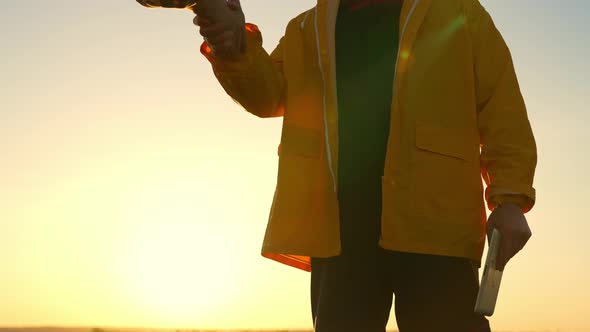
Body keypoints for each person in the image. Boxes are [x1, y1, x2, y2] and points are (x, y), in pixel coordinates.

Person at [194, 0, 537, 331]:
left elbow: (501, 107)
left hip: (437, 226)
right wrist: (233, 47)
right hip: (338, 230)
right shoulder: (306, 27)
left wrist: (509, 199)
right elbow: (266, 95)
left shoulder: (459, 11)